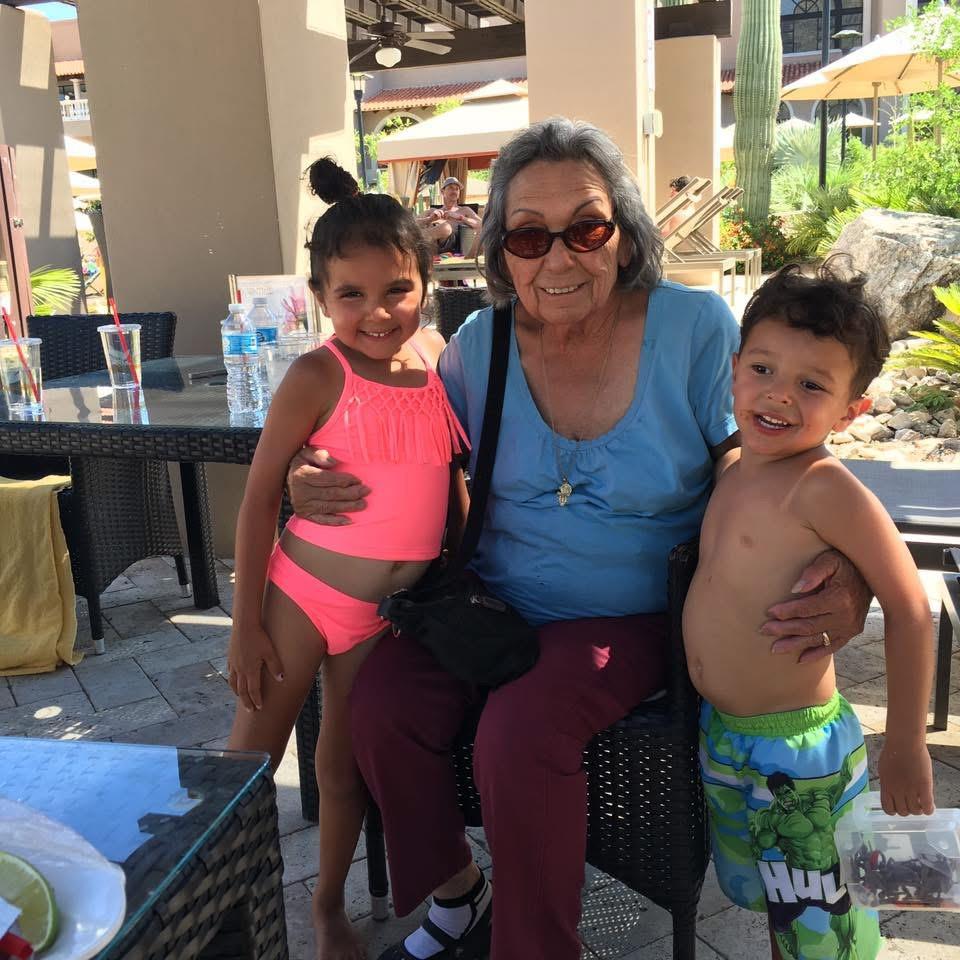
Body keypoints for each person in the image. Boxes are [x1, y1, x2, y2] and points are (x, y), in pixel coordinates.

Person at [285, 119, 871, 960]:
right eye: (528, 235)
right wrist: (309, 469)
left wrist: (847, 565)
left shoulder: (696, 330)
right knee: (380, 707)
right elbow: (400, 444)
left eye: (585, 229)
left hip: (629, 614)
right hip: (494, 602)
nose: (557, 259)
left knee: (521, 734)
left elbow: (783, 453)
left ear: (624, 238)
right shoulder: (476, 349)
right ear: (501, 253)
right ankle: (457, 893)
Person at [225, 157, 468, 960]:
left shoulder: (433, 362)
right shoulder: (315, 374)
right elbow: (261, 496)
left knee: (343, 768)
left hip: (383, 619)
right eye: (351, 295)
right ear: (320, 296)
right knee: (246, 769)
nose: (376, 312)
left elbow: (449, 479)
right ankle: (213, 908)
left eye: (396, 289)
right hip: (300, 597)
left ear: (425, 280)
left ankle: (327, 908)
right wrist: (244, 628)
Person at [685, 263, 935, 960]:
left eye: (812, 385)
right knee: (780, 908)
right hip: (727, 736)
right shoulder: (732, 466)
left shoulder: (825, 487)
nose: (779, 396)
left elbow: (911, 606)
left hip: (799, 755)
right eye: (763, 369)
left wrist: (908, 745)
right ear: (733, 369)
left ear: (853, 409)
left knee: (824, 930)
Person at [417, 176, 483, 256]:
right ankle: (419, 242)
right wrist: (429, 219)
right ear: (442, 191)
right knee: (431, 225)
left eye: (457, 189)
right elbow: (411, 224)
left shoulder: (465, 210)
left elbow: (482, 225)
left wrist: (461, 217)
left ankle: (416, 240)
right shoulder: (433, 211)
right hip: (431, 247)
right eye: (451, 188)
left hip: (454, 246)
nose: (454, 191)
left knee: (446, 227)